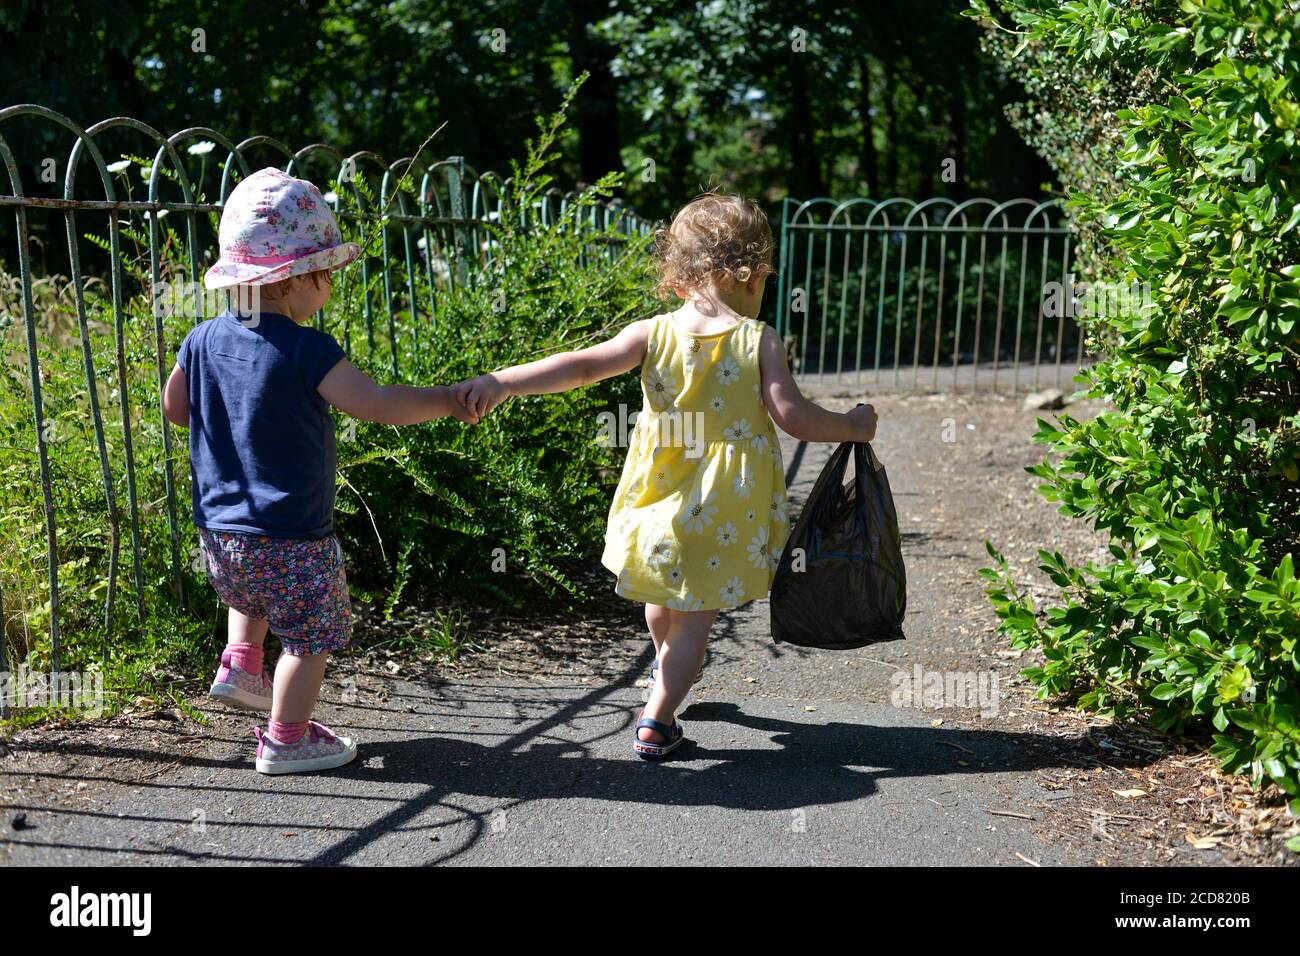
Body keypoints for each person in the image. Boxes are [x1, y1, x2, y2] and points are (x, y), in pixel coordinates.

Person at [454, 192, 877, 758]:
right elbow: (794, 418)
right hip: (725, 506)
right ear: (753, 276)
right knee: (695, 617)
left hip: (658, 498)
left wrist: (504, 380)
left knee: (664, 601)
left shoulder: (652, 334)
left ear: (679, 278)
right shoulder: (758, 340)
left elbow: (580, 367)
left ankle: (667, 675)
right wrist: (853, 426)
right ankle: (658, 717)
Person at [162, 167, 477, 774]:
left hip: (221, 536)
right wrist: (447, 398)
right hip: (296, 538)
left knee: (253, 594)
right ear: (294, 279)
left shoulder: (200, 340)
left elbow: (176, 409)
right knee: (310, 640)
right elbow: (378, 405)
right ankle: (286, 738)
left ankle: (241, 661)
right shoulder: (309, 350)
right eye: (326, 273)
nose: (330, 284)